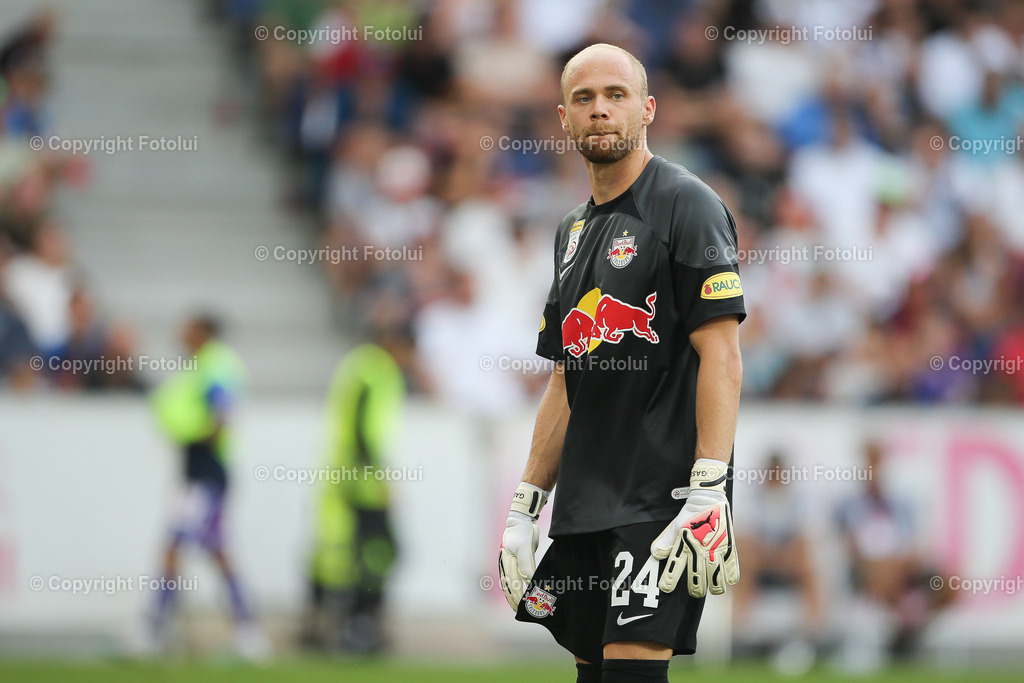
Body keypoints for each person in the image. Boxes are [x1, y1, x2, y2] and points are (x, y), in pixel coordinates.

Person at [498, 44, 745, 683]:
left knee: (632, 672)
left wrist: (709, 486)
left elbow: (721, 354)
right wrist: (527, 502)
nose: (600, 109)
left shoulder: (686, 204)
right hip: (585, 500)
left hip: (660, 499)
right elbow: (565, 377)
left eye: (616, 95)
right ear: (563, 117)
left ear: (648, 109)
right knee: (591, 673)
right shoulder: (571, 231)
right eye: (583, 98)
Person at [146, 314, 267, 659]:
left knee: (179, 549)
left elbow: (220, 412)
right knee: (213, 551)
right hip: (199, 474)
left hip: (206, 474)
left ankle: (155, 630)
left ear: (203, 332)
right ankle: (247, 631)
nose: (181, 333)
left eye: (188, 327)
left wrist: (195, 435)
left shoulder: (215, 364)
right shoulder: (202, 365)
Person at [304, 329, 407, 654]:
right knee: (379, 551)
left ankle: (319, 625)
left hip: (339, 473)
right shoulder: (378, 370)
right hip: (361, 480)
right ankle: (361, 626)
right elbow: (366, 431)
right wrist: (380, 478)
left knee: (335, 552)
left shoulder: (354, 364)